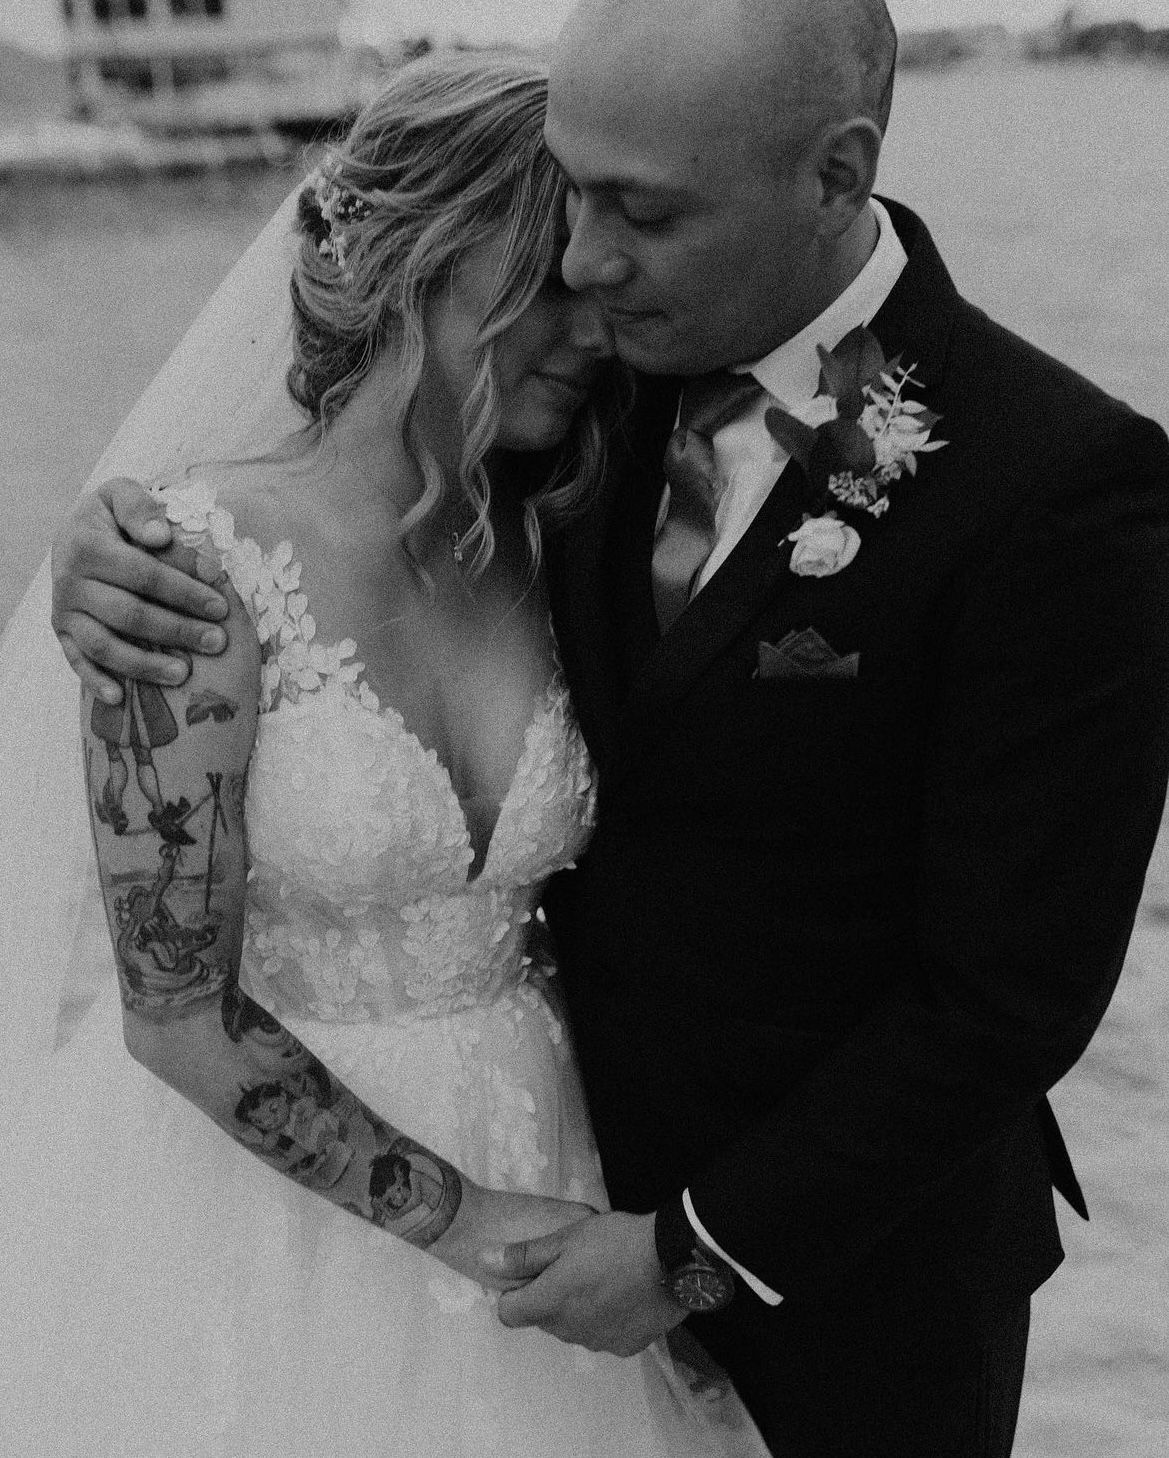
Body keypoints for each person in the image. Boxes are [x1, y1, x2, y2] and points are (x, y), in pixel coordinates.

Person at [45, 2, 1169, 1454]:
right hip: (469, 1207)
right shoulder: (579, 410)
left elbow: (1011, 993)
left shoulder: (1059, 484)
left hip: (850, 1278)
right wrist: (109, 550)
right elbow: (345, 513)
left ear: (836, 174)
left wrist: (690, 1252)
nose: (584, 265)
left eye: (641, 211)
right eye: (571, 201)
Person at [0, 47, 768, 1458]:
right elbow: (175, 1012)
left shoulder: (567, 541)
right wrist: (469, 1222)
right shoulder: (188, 569)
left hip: (556, 1145)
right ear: (418, 259)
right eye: (542, 281)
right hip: (255, 1220)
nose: (591, 329)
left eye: (598, 284)